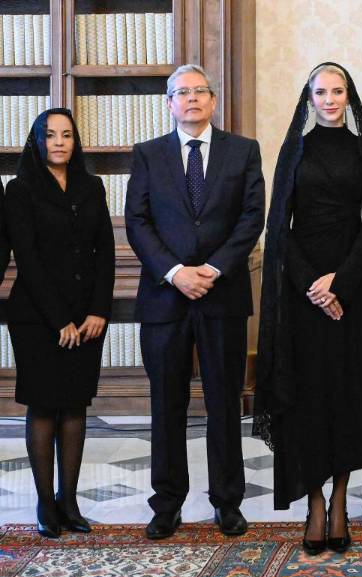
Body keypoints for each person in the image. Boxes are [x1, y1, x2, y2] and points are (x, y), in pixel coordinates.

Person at [254, 63, 362, 555]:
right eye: (322, 91)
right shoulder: (295, 149)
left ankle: (339, 501)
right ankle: (314, 503)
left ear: (348, 96)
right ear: (310, 98)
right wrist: (313, 286)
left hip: (351, 293)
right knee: (308, 398)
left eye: (338, 91)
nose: (330, 99)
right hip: (302, 294)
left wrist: (342, 282)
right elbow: (279, 225)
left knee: (346, 396)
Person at [125, 64, 265, 540]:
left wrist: (213, 269)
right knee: (167, 403)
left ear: (213, 100)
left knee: (224, 402)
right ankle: (167, 504)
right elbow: (137, 221)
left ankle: (228, 502)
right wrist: (175, 272)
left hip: (222, 295)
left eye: (199, 91)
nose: (191, 99)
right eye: (181, 92)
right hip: (164, 298)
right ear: (169, 103)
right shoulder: (148, 154)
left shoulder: (243, 151)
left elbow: (252, 217)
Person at [5, 108, 111, 538]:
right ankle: (46, 503)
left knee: (75, 404)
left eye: (67, 135)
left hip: (87, 316)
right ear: (37, 141)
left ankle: (69, 501)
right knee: (44, 404)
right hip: (36, 317)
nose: (59, 142)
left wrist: (99, 309)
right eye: (50, 135)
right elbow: (27, 259)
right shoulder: (19, 189)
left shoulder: (92, 185)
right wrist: (59, 320)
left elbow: (105, 250)